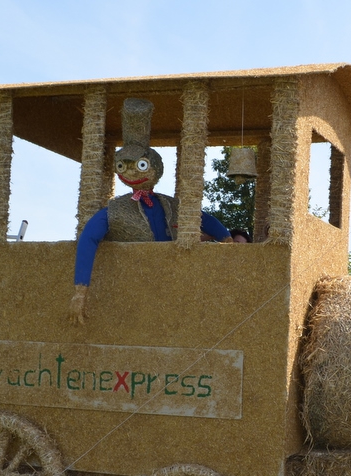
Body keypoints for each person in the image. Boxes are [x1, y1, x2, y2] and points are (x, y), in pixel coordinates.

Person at [69, 98, 233, 324]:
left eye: (141, 165)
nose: (131, 173)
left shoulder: (172, 205)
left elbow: (204, 219)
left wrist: (228, 242)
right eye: (123, 166)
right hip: (135, 289)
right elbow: (88, 238)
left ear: (155, 167)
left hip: (174, 285)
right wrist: (80, 291)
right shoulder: (115, 210)